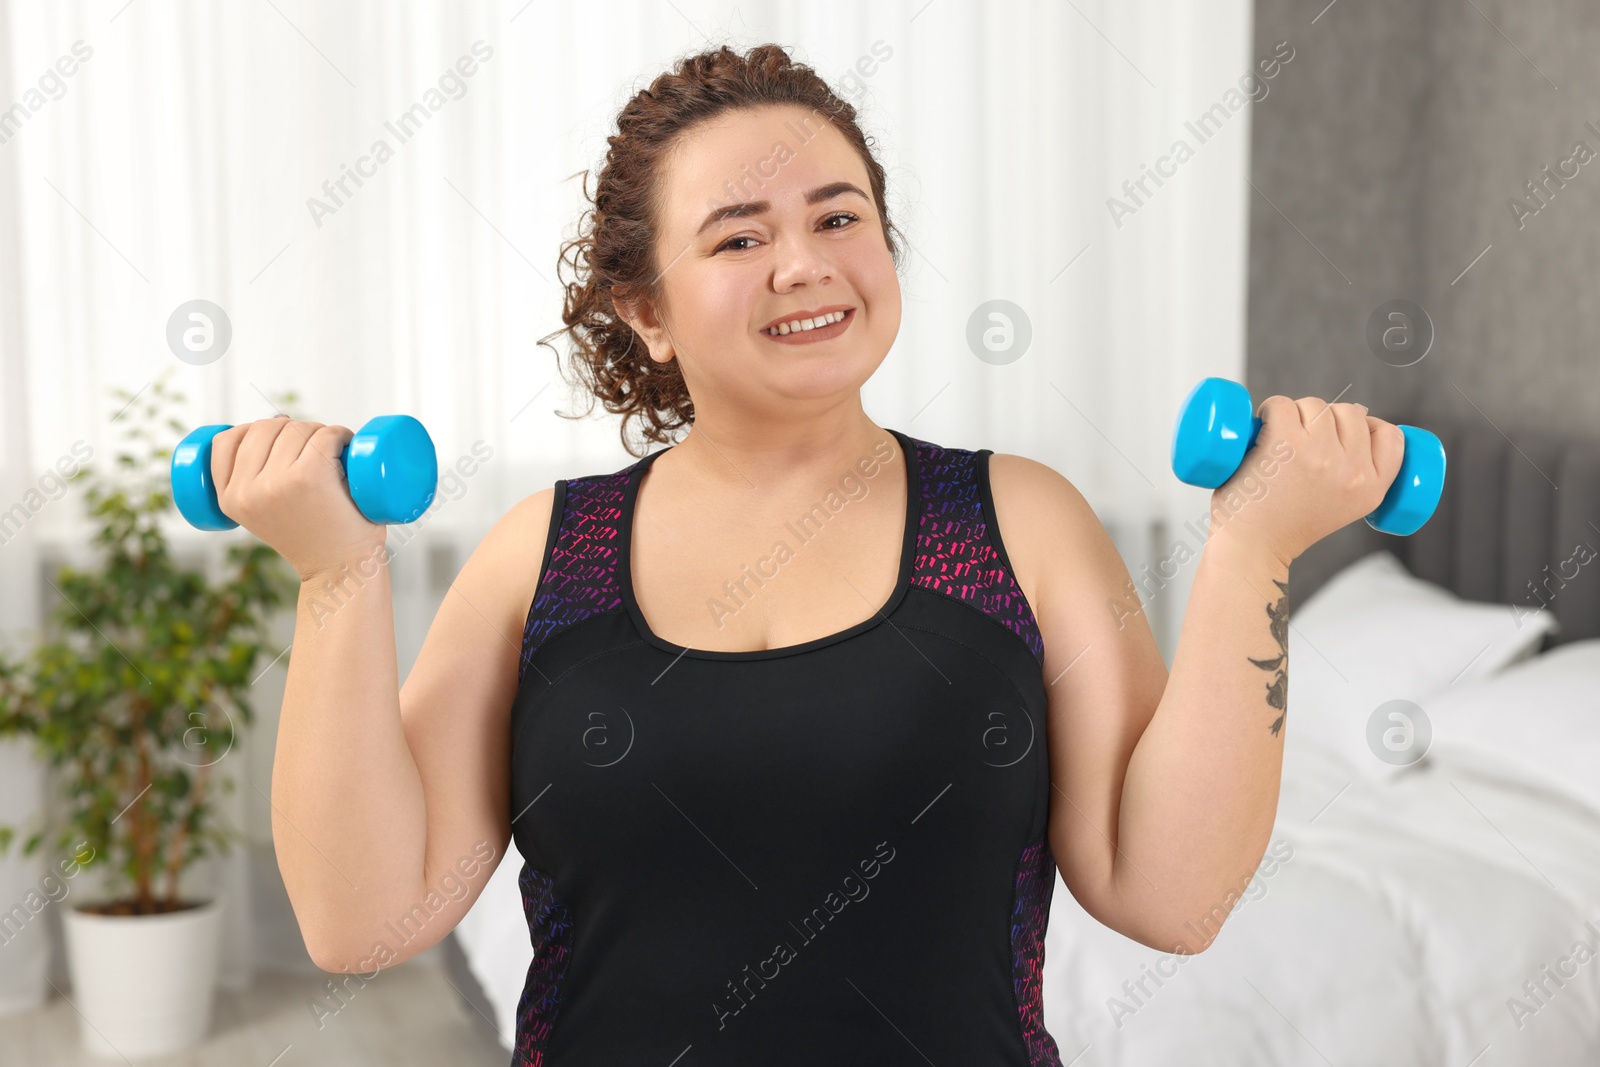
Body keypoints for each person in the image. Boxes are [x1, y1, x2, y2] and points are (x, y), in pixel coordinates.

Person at [210, 42, 1405, 1067]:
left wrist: (1251, 547)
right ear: (646, 310)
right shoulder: (544, 555)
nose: (805, 262)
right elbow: (361, 919)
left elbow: (1171, 895)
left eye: (839, 216)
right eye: (738, 237)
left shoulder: (1020, 523)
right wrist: (336, 573)